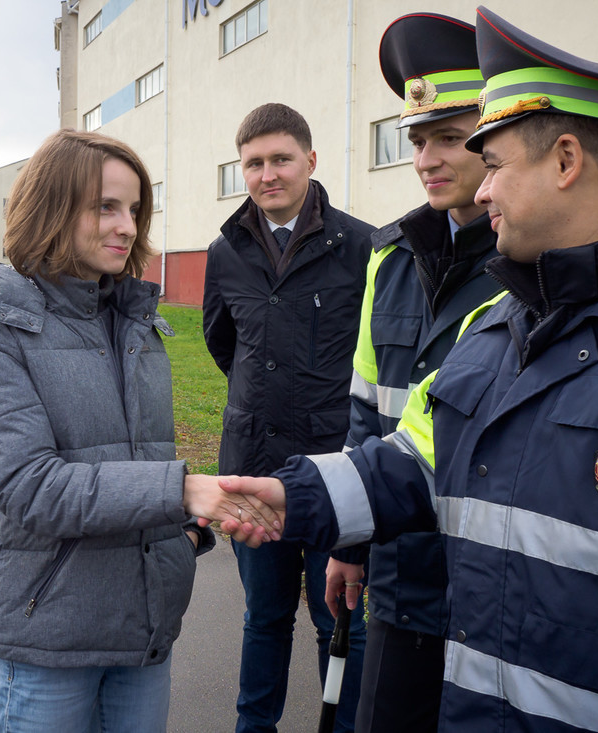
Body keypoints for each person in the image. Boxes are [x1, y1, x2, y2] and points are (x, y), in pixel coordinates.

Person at [219, 7, 598, 731]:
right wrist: (282, 496)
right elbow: (410, 461)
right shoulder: (498, 325)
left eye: (490, 163)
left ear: (565, 160)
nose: (479, 189)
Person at [0, 129, 277, 733]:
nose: (127, 227)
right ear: (51, 206)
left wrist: (187, 533)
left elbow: (137, 460)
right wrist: (183, 491)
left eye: (134, 210)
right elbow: (30, 489)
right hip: (48, 638)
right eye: (106, 206)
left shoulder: (135, 324)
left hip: (145, 632)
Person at [324, 13, 501, 733]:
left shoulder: (538, 262)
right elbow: (365, 413)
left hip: (489, 587)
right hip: (402, 582)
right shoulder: (389, 256)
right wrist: (348, 541)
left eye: (449, 137)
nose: (426, 158)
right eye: (418, 139)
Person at [202, 102, 374, 733]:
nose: (267, 174)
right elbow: (224, 344)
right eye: (254, 163)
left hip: (336, 471)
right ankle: (256, 726)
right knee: (265, 618)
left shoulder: (363, 247)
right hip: (252, 470)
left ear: (311, 161)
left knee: (341, 621)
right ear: (241, 170)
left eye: (280, 159)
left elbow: (375, 361)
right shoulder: (226, 251)